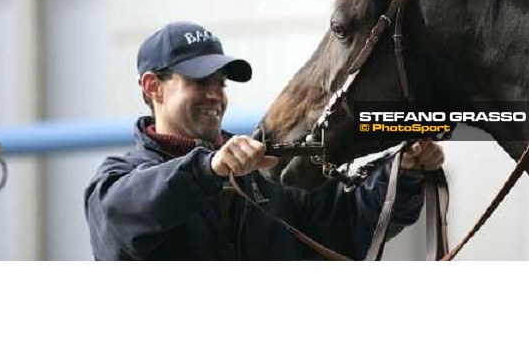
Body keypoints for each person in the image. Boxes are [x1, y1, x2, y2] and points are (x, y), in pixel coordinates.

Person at [84, 21, 444, 260]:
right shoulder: (117, 182)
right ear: (152, 87)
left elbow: (349, 226)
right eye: (199, 81)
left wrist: (402, 173)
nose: (215, 95)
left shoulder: (261, 173)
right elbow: (126, 211)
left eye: (221, 83)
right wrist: (209, 168)